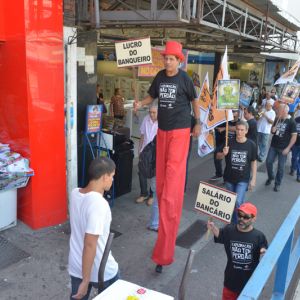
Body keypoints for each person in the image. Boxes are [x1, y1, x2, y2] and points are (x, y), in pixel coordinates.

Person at [134, 40, 201, 273]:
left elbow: (195, 101)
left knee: (171, 183)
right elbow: (150, 97)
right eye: (166, 58)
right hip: (162, 131)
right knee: (161, 186)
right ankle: (160, 211)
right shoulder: (160, 77)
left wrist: (198, 123)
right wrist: (138, 104)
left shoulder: (185, 79)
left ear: (179, 60)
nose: (168, 61)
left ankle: (172, 196)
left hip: (180, 131)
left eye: (171, 58)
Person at [68, 157, 119, 300]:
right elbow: (90, 244)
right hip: (100, 270)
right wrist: (86, 280)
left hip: (77, 265)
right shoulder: (98, 204)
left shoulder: (75, 193)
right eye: (112, 176)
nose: (112, 180)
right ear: (104, 177)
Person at [207, 203, 268, 300]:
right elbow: (220, 235)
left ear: (254, 219)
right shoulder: (230, 229)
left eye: (246, 217)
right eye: (239, 215)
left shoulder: (259, 236)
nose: (241, 219)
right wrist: (213, 227)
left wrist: (263, 251)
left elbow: (264, 249)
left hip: (249, 283)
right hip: (230, 281)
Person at [217, 120, 257, 224]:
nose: (239, 132)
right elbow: (218, 156)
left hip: (243, 179)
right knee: (232, 202)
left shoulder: (251, 145)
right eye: (237, 130)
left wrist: (253, 179)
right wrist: (223, 154)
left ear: (246, 131)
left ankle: (236, 224)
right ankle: (238, 218)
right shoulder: (228, 142)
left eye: (242, 130)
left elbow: (253, 162)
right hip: (229, 178)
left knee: (238, 201)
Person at [265, 103, 297, 192]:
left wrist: (288, 148)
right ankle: (271, 177)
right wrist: (272, 130)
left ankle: (277, 183)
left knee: (281, 167)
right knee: (268, 162)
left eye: (278, 110)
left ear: (284, 111)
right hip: (274, 146)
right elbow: (273, 131)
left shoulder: (291, 122)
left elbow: (294, 137)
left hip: (283, 148)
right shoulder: (277, 119)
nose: (277, 111)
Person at [136, 102, 158, 206]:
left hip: (156, 153)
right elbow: (142, 135)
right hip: (145, 150)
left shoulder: (163, 122)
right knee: (141, 172)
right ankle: (143, 193)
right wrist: (139, 150)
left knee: (154, 174)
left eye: (154, 112)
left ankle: (152, 195)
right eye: (150, 112)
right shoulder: (146, 119)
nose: (151, 114)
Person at [289, 104, 300, 182]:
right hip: (295, 142)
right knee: (293, 157)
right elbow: (292, 131)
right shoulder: (296, 120)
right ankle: (293, 168)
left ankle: (298, 175)